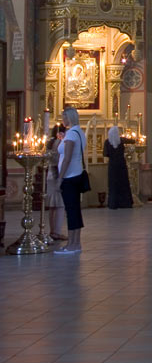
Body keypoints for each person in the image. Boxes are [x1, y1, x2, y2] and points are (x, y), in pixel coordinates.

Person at [54, 106, 87, 254]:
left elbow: (67, 158)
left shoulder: (71, 134)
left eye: (64, 117)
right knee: (75, 210)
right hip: (76, 174)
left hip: (69, 177)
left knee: (71, 210)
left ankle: (72, 245)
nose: (62, 120)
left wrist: (59, 179)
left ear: (69, 117)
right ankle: (75, 243)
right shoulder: (79, 132)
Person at [45, 124, 67, 241]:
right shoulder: (59, 143)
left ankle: (53, 231)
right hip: (56, 174)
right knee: (60, 205)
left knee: (53, 206)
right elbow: (59, 159)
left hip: (50, 174)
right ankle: (56, 232)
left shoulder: (49, 142)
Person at [103, 126, 133, 209]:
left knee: (113, 184)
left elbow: (105, 154)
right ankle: (125, 203)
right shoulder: (121, 140)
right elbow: (132, 141)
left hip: (112, 165)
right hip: (121, 164)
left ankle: (113, 203)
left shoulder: (107, 142)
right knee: (123, 183)